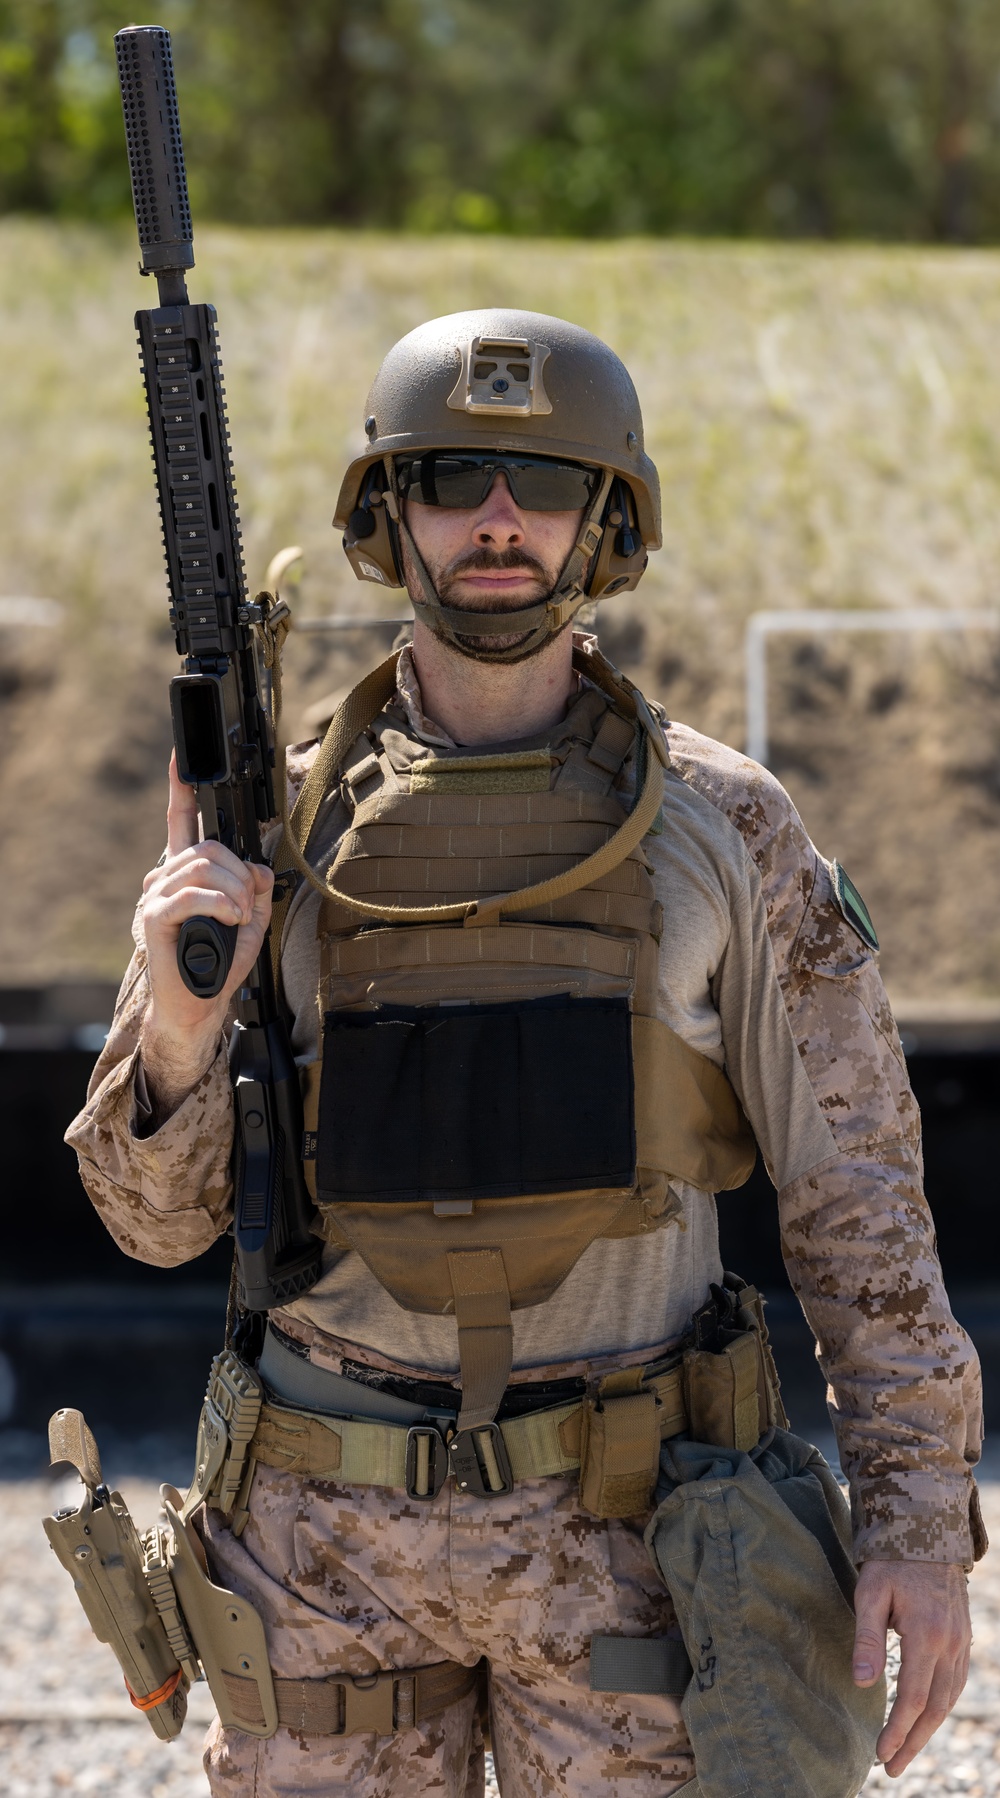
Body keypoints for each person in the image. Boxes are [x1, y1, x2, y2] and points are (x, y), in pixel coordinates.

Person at [67, 309, 983, 1797]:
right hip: (323, 1553)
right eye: (456, 478)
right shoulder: (273, 830)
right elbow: (151, 1221)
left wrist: (920, 1525)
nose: (499, 520)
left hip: (631, 1542)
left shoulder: (724, 829)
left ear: (607, 521)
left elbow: (859, 1200)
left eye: (542, 484)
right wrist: (178, 1025)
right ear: (389, 517)